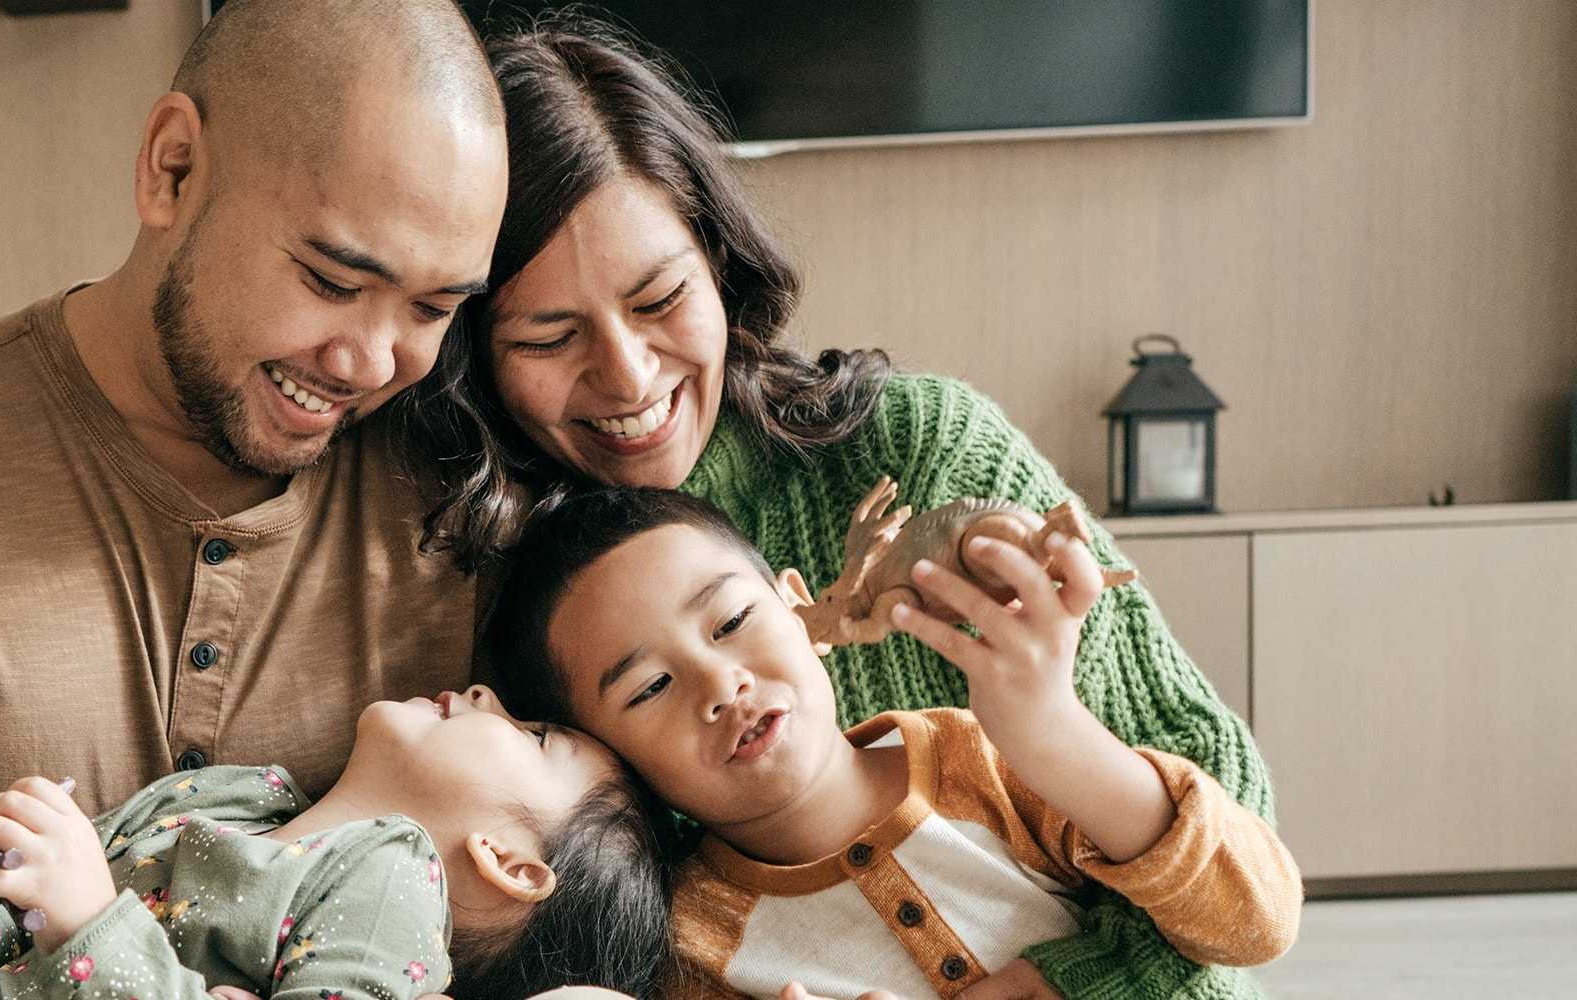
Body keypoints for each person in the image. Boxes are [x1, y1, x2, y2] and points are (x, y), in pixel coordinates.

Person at [398, 14, 1279, 999]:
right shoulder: (478, 586)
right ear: (471, 350)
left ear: (717, 262)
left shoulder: (915, 448)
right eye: (549, 336)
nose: (629, 373)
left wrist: (1059, 984)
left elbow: (1223, 832)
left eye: (658, 300)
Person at [0, 2, 511, 997]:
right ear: (172, 168)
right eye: (331, 279)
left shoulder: (463, 504)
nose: (371, 361)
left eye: (433, 309)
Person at [485, 489, 1301, 1000]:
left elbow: (1254, 923)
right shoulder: (690, 946)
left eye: (732, 622)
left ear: (805, 610)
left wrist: (1055, 735)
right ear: (609, 756)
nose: (721, 684)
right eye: (649, 689)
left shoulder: (989, 761)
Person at [0, 685, 674, 1000]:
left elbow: (77, 921)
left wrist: (91, 919)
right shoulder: (239, 797)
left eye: (528, 732)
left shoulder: (392, 886)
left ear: (508, 862)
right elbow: (24, 920)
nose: (488, 691)